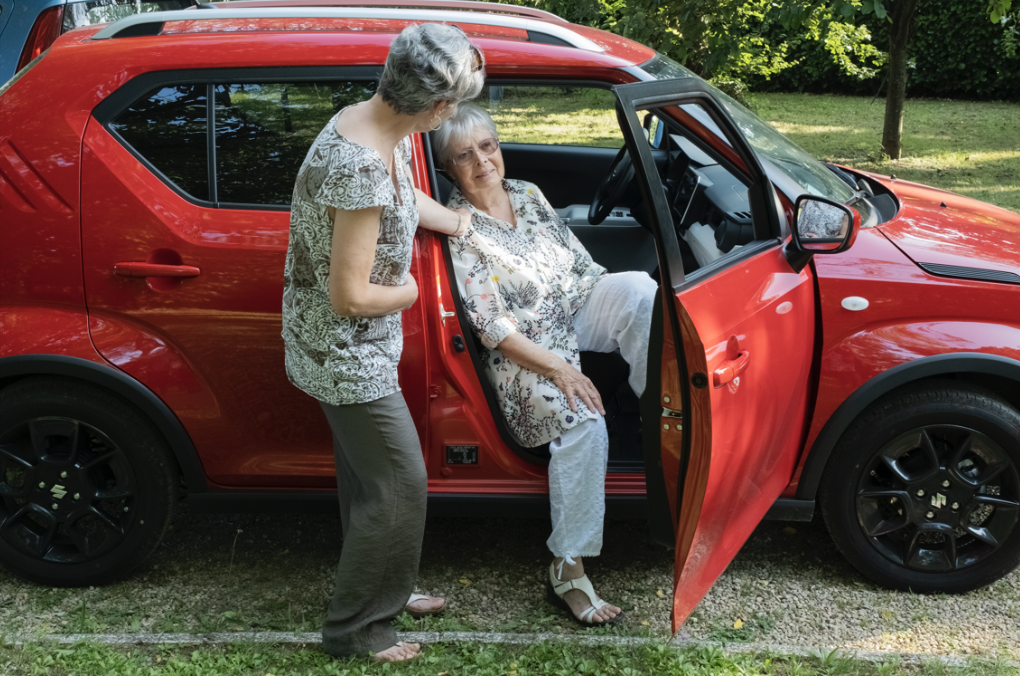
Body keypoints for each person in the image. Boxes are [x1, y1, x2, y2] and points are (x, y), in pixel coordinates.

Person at [282, 24, 484, 662]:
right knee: (400, 485)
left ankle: (384, 588)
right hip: (345, 352)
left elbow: (400, 193)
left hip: (342, 345)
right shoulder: (359, 164)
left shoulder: (369, 122)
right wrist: (411, 290)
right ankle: (359, 629)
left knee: (369, 482)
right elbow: (352, 296)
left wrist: (452, 221)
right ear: (438, 109)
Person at [434, 103, 658, 627]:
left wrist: (607, 299)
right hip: (523, 350)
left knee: (639, 290)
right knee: (585, 422)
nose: (483, 161)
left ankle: (661, 415)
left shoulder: (528, 194)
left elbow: (581, 266)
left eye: (487, 146)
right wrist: (562, 368)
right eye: (464, 155)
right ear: (448, 168)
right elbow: (493, 328)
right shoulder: (460, 227)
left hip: (570, 307)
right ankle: (568, 564)